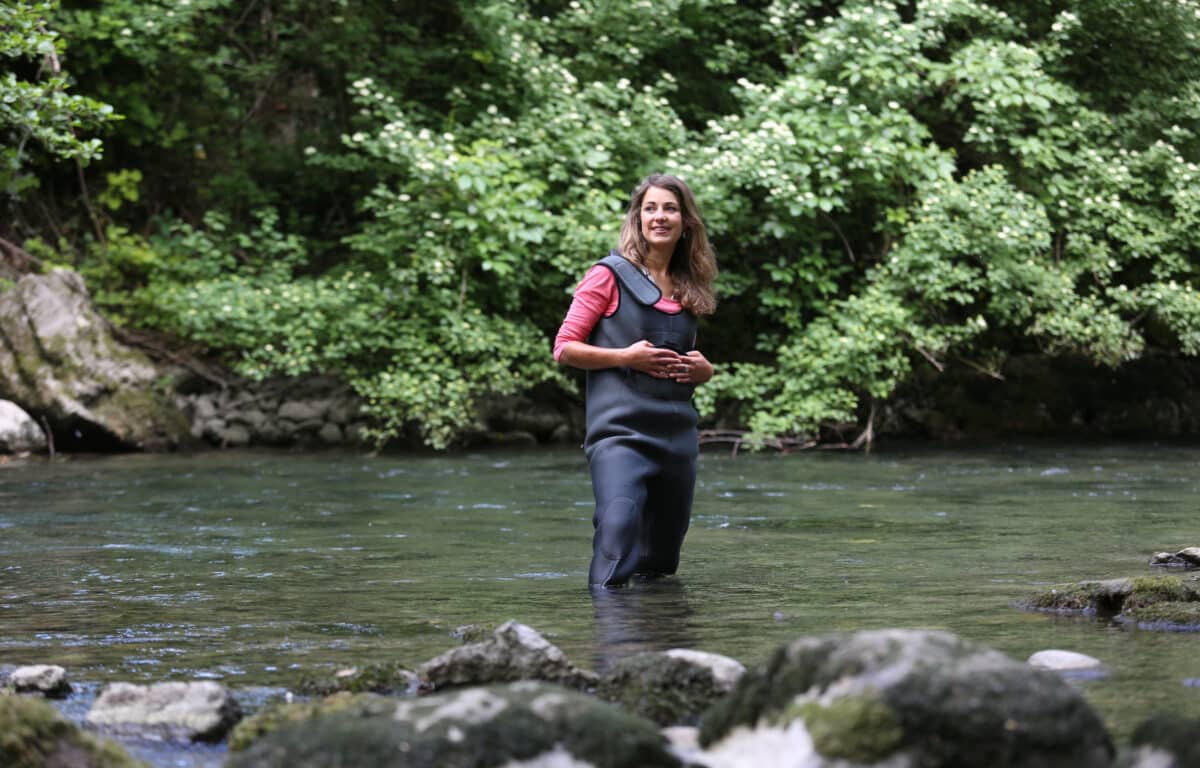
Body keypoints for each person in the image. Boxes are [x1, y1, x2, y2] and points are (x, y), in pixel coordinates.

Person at [553, 173, 717, 588]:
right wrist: (625, 357)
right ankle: (608, 646)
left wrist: (706, 371)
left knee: (660, 562)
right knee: (619, 532)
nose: (659, 217)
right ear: (638, 218)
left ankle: (655, 644)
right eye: (650, 208)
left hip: (677, 437)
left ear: (686, 222)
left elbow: (687, 363)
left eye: (670, 208)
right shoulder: (607, 275)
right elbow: (564, 347)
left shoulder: (689, 286)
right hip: (620, 436)